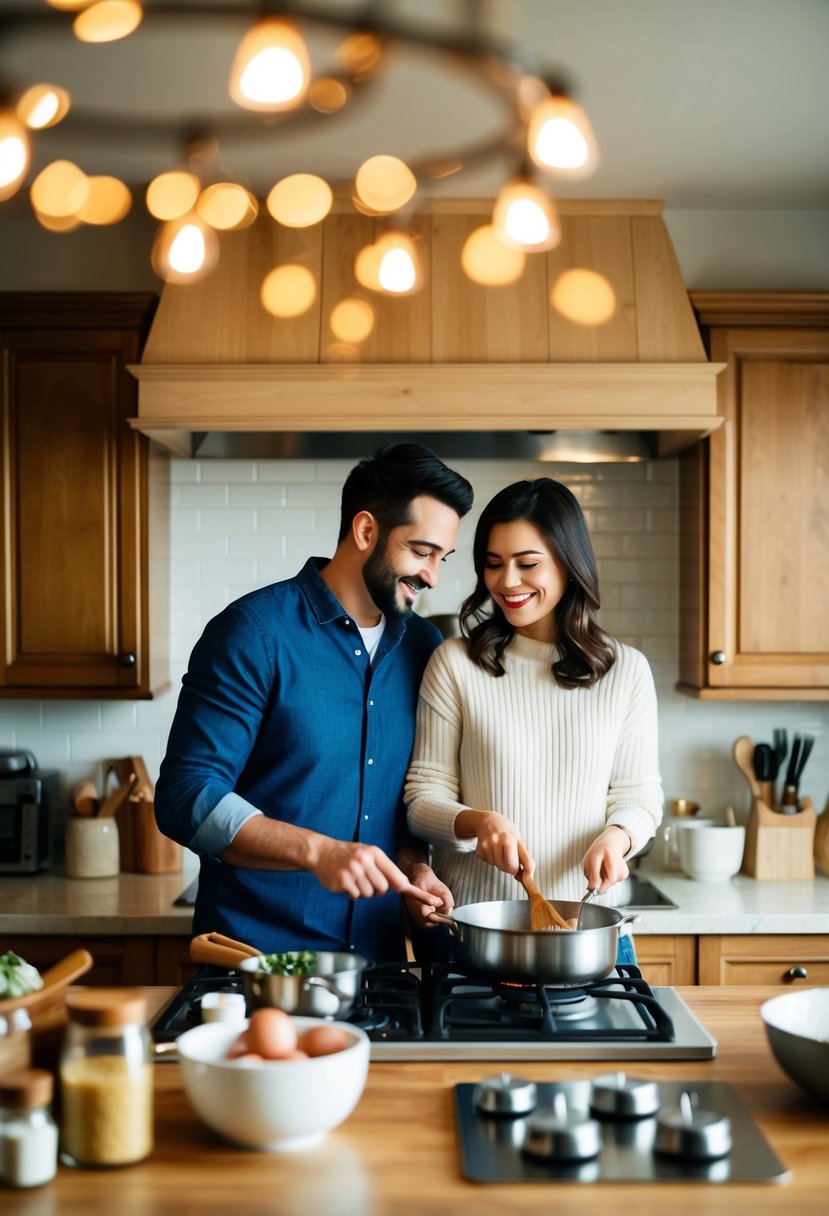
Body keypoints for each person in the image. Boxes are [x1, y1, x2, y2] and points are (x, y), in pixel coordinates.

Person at [155, 443, 474, 962]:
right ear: (366, 530)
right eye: (421, 552)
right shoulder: (253, 633)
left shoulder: (424, 649)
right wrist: (317, 851)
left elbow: (403, 806)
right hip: (254, 963)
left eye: (442, 558)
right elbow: (185, 796)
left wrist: (416, 866)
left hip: (376, 969)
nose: (433, 576)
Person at [404, 477, 663, 958]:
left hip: (587, 935)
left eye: (527, 564)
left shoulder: (625, 670)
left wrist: (618, 836)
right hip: (473, 934)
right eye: (494, 564)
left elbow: (640, 797)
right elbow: (421, 799)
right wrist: (477, 822)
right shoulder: (456, 663)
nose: (507, 582)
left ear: (569, 564)